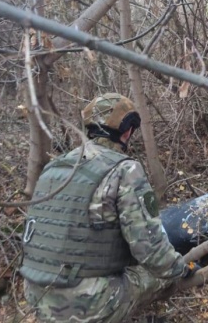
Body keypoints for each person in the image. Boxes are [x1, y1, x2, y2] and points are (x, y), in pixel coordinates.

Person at [20, 92, 198, 322]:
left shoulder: (54, 167)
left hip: (36, 295)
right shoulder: (124, 170)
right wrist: (181, 269)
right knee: (153, 276)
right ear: (127, 131)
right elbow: (152, 252)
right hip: (85, 303)